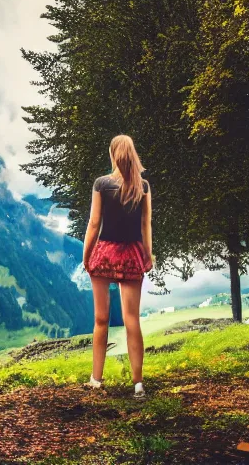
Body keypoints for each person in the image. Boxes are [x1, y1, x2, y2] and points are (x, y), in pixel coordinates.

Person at [82, 134, 153, 398]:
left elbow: (93, 223)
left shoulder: (101, 184)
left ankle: (96, 380)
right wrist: (148, 255)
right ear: (132, 154)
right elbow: (146, 224)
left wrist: (86, 255)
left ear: (113, 154)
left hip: (104, 254)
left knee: (101, 320)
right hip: (132, 253)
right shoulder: (143, 186)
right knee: (131, 319)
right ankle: (138, 385)